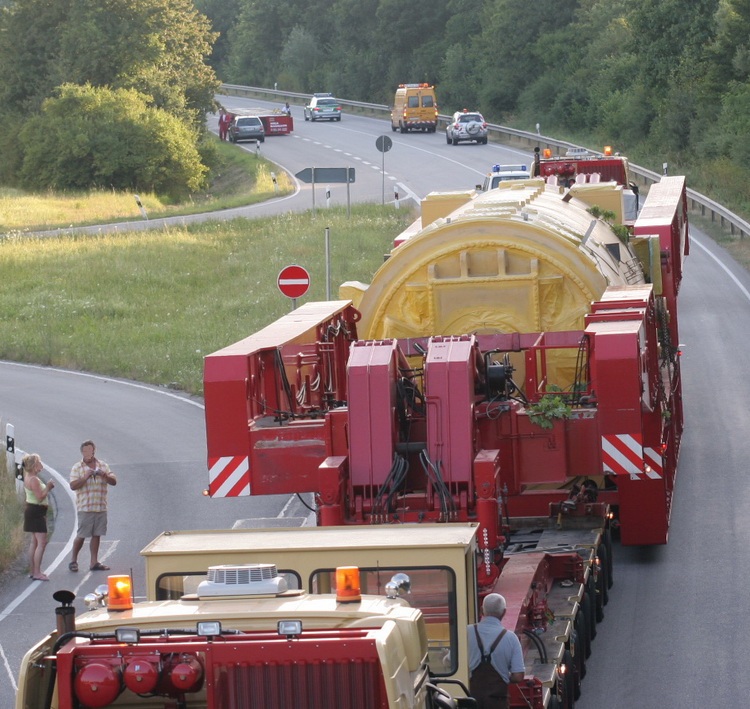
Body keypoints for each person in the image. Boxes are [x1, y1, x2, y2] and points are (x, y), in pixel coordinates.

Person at [467, 593, 525, 709]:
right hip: (498, 702)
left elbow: (449, 661)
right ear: (504, 612)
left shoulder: (466, 632)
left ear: (482, 610)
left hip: (470, 702)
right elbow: (518, 676)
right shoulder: (511, 638)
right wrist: (503, 675)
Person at [69, 440, 117, 572]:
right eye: (85, 451)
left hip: (100, 506)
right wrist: (85, 477)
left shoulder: (103, 465)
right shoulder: (77, 467)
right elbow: (73, 486)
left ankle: (94, 562)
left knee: (97, 534)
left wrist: (103, 474)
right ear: (82, 452)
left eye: (90, 450)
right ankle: (73, 560)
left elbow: (113, 481)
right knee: (82, 535)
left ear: (94, 450)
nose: (88, 453)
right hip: (85, 506)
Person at [22, 453, 55, 581]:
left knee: (34, 542)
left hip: (33, 510)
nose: (42, 464)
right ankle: (37, 572)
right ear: (35, 466)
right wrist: (48, 487)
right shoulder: (34, 479)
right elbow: (40, 497)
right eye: (39, 462)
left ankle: (33, 570)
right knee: (41, 542)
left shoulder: (29, 477)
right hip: (36, 510)